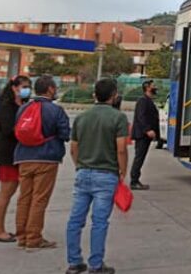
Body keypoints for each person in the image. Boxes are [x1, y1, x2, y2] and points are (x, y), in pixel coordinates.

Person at [65, 78, 128, 274]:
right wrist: (122, 171)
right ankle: (96, 264)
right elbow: (121, 149)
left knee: (75, 220)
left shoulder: (82, 118)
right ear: (114, 95)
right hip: (106, 175)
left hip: (83, 172)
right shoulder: (118, 118)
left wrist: (80, 166)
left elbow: (73, 148)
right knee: (99, 222)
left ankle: (74, 262)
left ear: (94, 95)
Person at [13, 75, 70, 249]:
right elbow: (65, 134)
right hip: (47, 158)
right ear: (51, 89)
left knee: (24, 198)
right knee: (39, 199)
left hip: (23, 157)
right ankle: (34, 238)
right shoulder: (55, 110)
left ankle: (21, 237)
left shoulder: (23, 109)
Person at [0, 75, 31, 243]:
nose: (26, 90)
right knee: (6, 193)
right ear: (14, 87)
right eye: (24, 86)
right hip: (7, 155)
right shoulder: (7, 106)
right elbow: (8, 130)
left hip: (18, 154)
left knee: (10, 192)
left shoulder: (23, 105)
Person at [129, 80, 157, 190]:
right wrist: (147, 130)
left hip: (145, 135)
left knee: (140, 157)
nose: (155, 88)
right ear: (147, 88)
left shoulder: (148, 100)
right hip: (142, 135)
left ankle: (136, 179)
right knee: (139, 157)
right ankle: (134, 181)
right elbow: (141, 117)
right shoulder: (143, 101)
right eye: (153, 86)